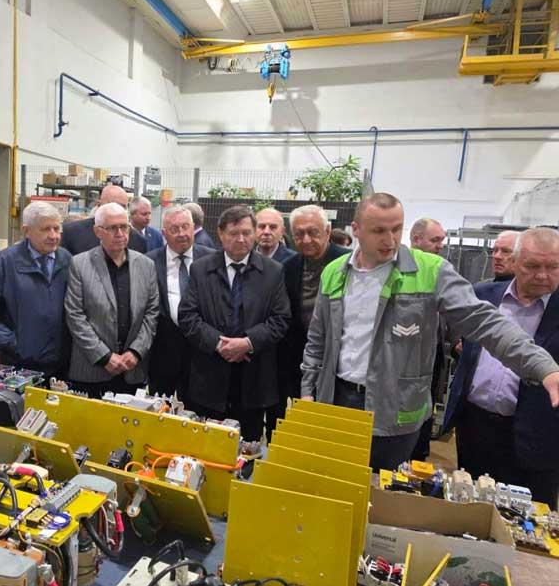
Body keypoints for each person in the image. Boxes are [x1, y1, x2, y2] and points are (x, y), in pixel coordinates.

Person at [301, 192, 559, 472]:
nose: (390, 240)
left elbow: (484, 321)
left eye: (396, 229)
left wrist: (542, 366)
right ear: (356, 229)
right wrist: (307, 391)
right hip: (337, 400)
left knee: (385, 487)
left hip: (395, 410)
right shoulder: (334, 272)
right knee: (336, 478)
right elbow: (318, 338)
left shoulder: (430, 271)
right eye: (379, 231)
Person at [444, 228, 559, 508]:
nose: (543, 275)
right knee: (469, 505)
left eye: (553, 267)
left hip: (537, 436)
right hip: (474, 425)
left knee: (527, 516)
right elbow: (462, 344)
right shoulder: (482, 295)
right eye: (533, 266)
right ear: (514, 262)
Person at [179, 205, 290, 442]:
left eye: (247, 233)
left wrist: (248, 342)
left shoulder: (273, 272)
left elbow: (280, 319)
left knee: (247, 445)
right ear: (220, 234)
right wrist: (220, 344)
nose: (241, 239)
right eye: (233, 233)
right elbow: (188, 316)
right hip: (208, 377)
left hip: (253, 379)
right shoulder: (200, 269)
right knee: (203, 444)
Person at [269, 205, 350, 439]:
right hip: (297, 360)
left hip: (339, 360)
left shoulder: (347, 263)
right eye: (299, 234)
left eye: (313, 232)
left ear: (328, 231)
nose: (306, 239)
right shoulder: (289, 267)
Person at [64, 202, 160, 399]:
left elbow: (151, 313)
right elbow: (75, 315)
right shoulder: (80, 264)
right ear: (98, 231)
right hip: (92, 369)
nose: (120, 234)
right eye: (113, 228)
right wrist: (104, 356)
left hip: (132, 370)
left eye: (124, 227)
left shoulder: (146, 265)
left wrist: (136, 351)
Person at [0, 202, 71, 377]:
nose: (53, 236)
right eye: (45, 229)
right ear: (26, 231)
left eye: (57, 229)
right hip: (18, 367)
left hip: (60, 365)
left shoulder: (67, 260)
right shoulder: (6, 262)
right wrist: (14, 345)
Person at [146, 206, 215, 400]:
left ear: (194, 228)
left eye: (186, 227)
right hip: (163, 352)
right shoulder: (148, 262)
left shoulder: (213, 259)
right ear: (163, 233)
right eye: (174, 229)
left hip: (203, 351)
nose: (182, 233)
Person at [408, 218, 449, 461]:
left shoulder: (439, 271)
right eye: (435, 240)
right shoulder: (403, 273)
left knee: (425, 412)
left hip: (432, 360)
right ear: (416, 239)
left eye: (442, 240)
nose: (440, 245)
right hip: (408, 364)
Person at [60, 185, 147, 254]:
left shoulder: (138, 241)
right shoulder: (71, 233)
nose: (116, 210)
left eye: (122, 206)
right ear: (99, 205)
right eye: (112, 205)